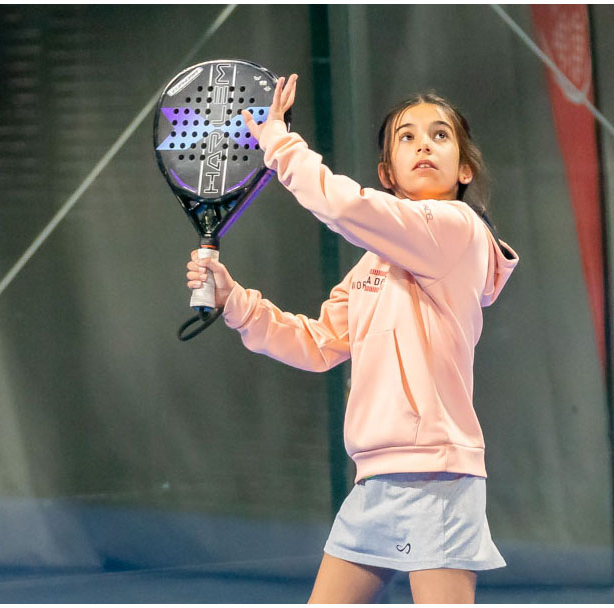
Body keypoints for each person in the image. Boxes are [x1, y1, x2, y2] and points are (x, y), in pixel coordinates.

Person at [185, 74, 518, 604]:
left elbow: (346, 208)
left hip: (437, 477)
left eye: (440, 136)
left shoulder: (456, 227)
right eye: (407, 137)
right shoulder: (372, 266)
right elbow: (318, 343)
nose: (424, 145)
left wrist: (280, 144)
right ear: (388, 173)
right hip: (374, 480)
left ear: (464, 169)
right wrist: (236, 302)